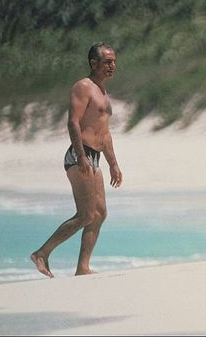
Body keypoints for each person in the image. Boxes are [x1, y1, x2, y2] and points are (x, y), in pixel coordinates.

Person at [30, 42, 123, 277]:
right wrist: (81, 155)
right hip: (79, 155)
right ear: (94, 63)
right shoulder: (84, 86)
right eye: (108, 61)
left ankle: (83, 267)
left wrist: (113, 163)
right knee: (85, 215)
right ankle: (41, 253)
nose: (113, 65)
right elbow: (73, 122)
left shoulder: (102, 91)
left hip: (95, 157)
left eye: (114, 61)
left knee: (99, 213)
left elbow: (105, 133)